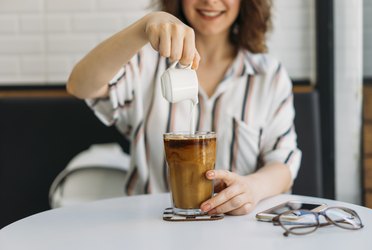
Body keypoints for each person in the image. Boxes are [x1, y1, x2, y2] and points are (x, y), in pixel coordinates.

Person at [67, 0, 301, 216]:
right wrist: (143, 27)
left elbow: (283, 162)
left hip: (238, 231)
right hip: (150, 228)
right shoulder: (144, 63)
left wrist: (253, 187)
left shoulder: (268, 76)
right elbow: (80, 86)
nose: (210, 1)